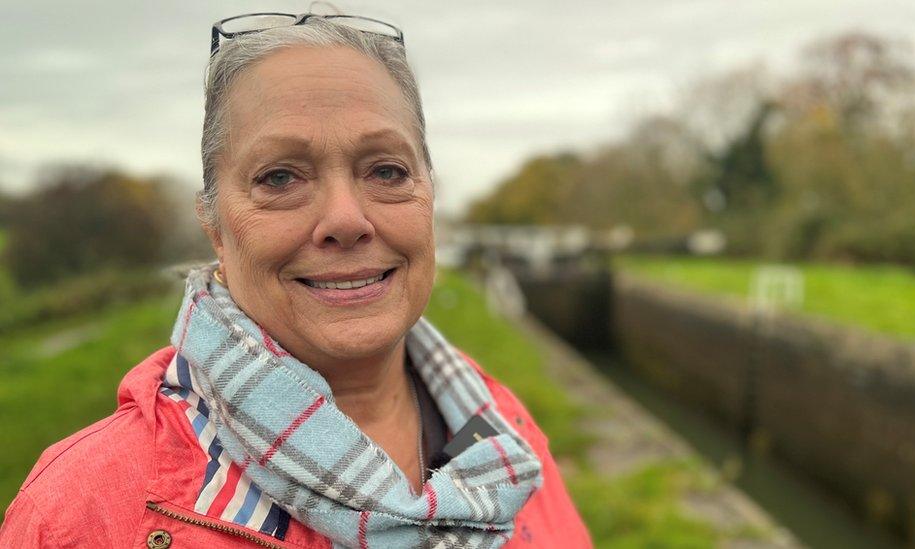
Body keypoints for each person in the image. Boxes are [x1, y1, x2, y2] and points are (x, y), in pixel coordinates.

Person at [0, 11, 590, 549]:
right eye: (280, 178)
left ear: (429, 196)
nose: (346, 220)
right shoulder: (79, 514)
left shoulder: (503, 431)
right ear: (215, 225)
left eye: (386, 170)